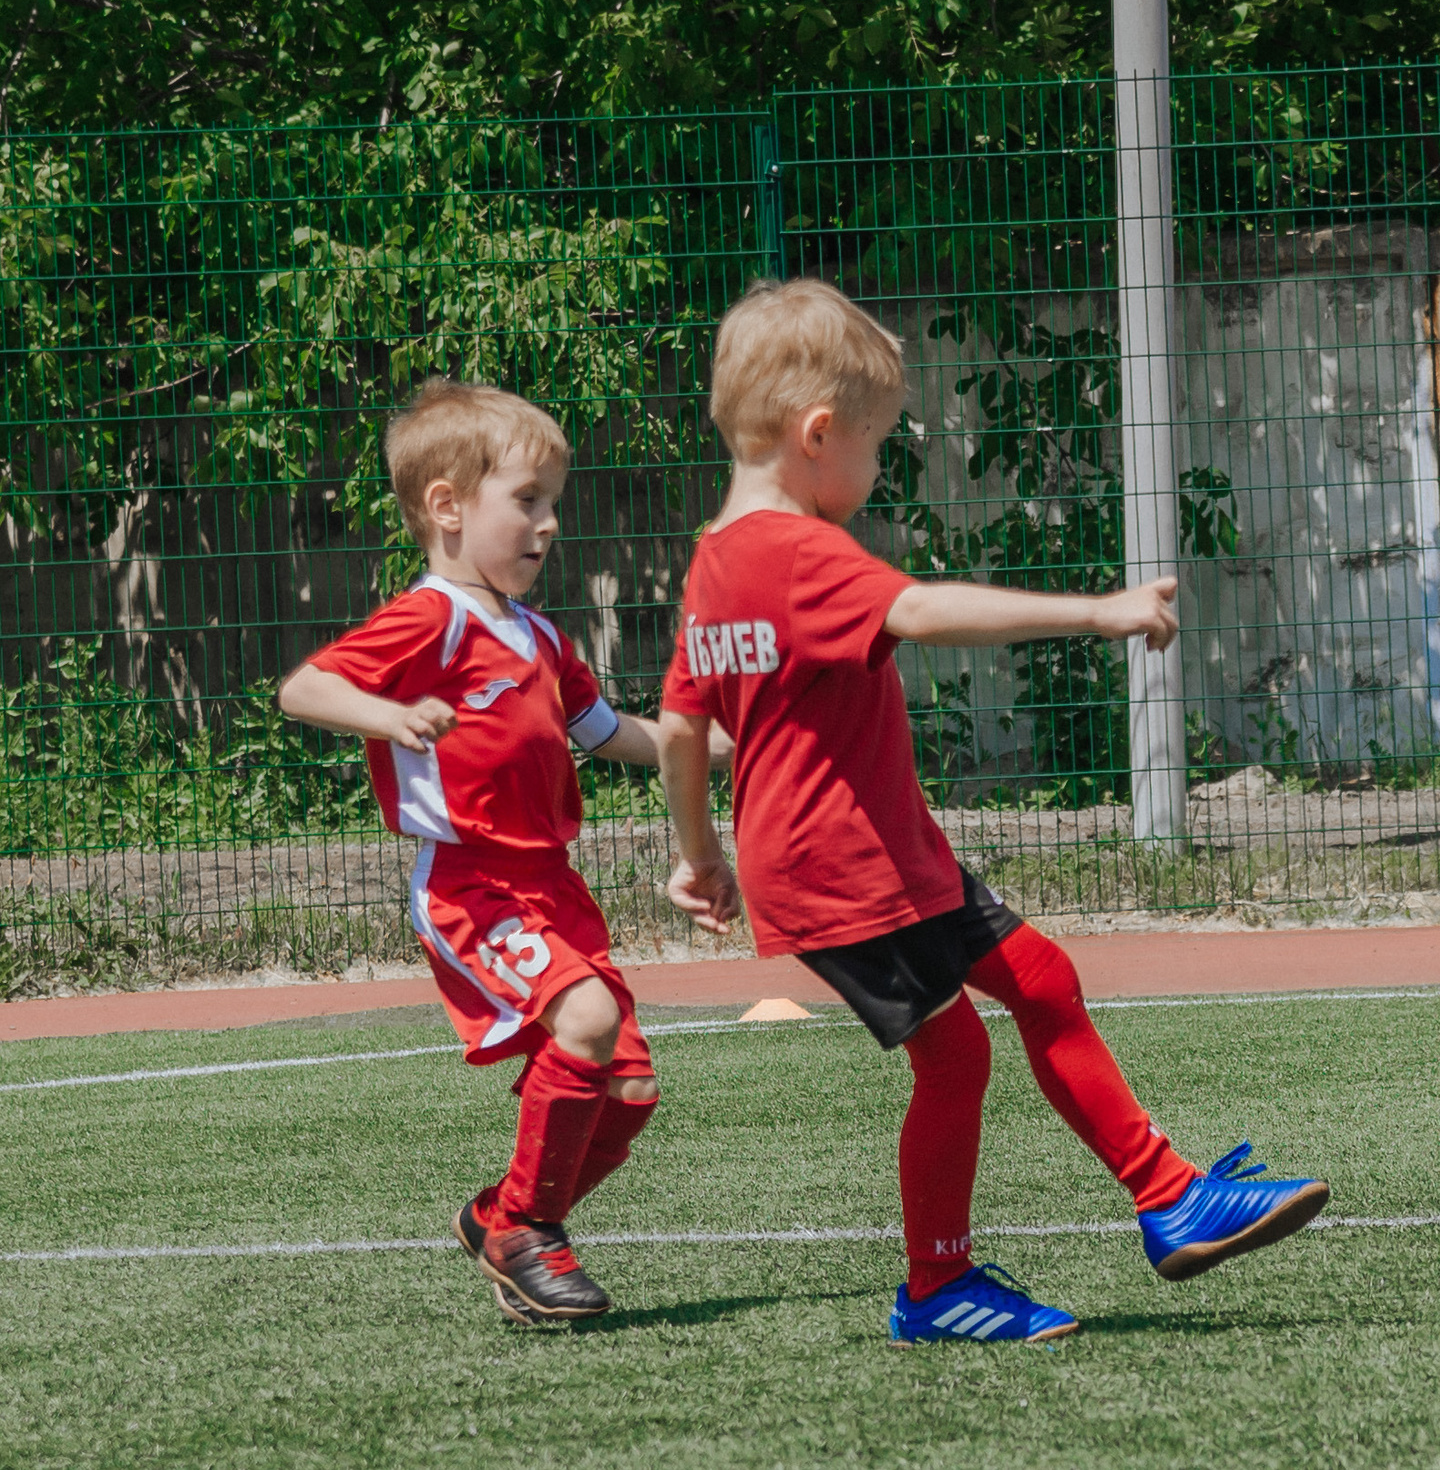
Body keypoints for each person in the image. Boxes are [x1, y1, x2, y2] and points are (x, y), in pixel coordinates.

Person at [657, 278, 1329, 1345]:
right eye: (877, 443)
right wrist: (1097, 612)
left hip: (854, 854)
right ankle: (942, 1285)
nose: (879, 469)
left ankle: (1167, 1200)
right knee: (959, 1050)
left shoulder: (711, 568)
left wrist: (698, 853)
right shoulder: (799, 552)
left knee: (1038, 981)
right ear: (816, 432)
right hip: (848, 866)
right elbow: (917, 608)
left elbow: (683, 726)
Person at [278, 379, 672, 1321]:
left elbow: (609, 731)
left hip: (553, 886)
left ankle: (501, 1216)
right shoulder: (434, 617)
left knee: (632, 1093)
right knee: (581, 1022)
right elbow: (304, 689)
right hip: (472, 884)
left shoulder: (535, 632)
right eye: (527, 501)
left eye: (554, 506)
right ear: (449, 507)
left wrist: (712, 744)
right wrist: (391, 712)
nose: (547, 526)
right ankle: (527, 1233)